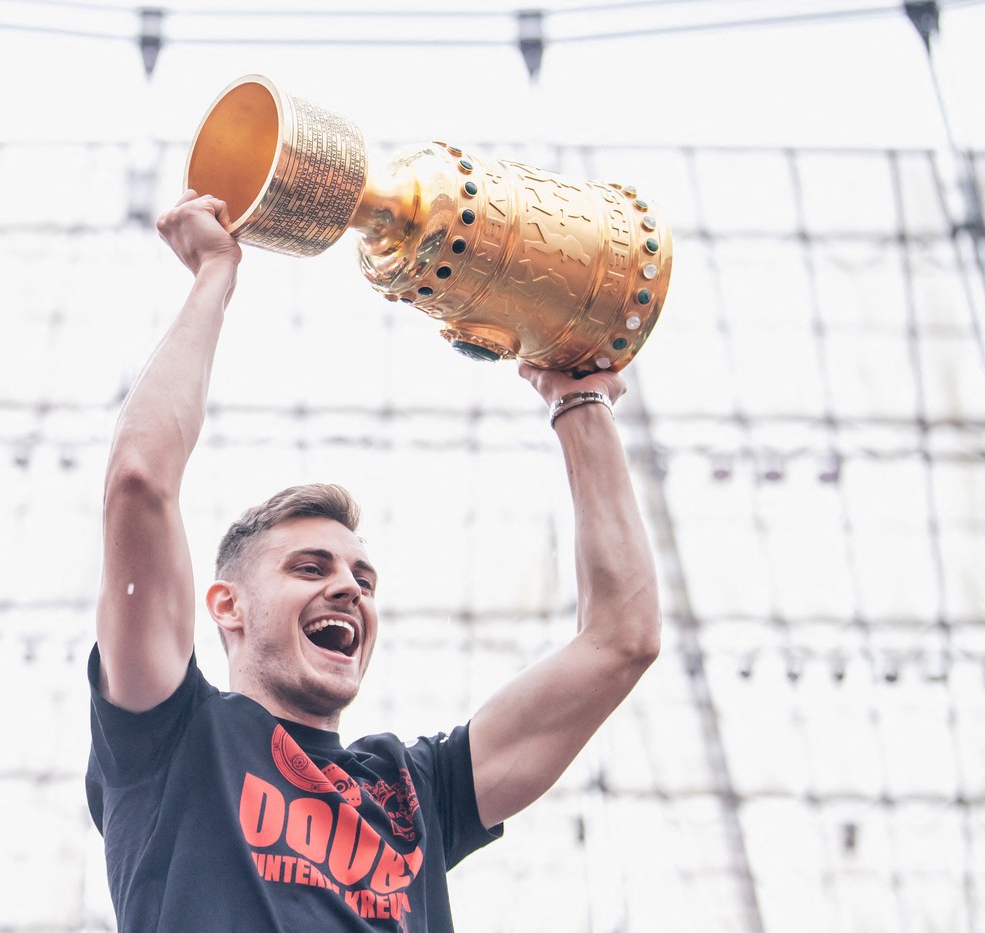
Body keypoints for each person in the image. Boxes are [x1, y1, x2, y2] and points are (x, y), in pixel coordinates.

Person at [86, 191, 661, 931]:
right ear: (226, 604)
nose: (347, 589)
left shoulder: (413, 790)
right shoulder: (172, 737)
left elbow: (622, 640)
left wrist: (580, 402)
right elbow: (139, 479)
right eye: (309, 567)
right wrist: (214, 275)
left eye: (363, 578)